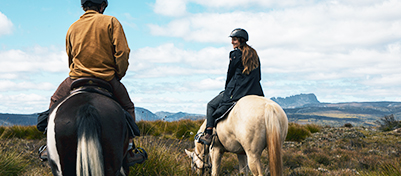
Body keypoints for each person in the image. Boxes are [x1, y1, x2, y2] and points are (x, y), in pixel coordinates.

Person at [38, 0, 145, 165]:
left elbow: (70, 55)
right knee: (128, 106)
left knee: (54, 101)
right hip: (107, 78)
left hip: (76, 77)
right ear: (102, 6)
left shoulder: (73, 27)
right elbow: (122, 52)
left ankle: (48, 145)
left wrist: (77, 71)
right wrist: (118, 74)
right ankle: (130, 149)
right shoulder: (111, 22)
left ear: (83, 7)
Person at [199, 28, 264, 145]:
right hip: (255, 91)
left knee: (211, 105)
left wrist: (227, 91)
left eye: (234, 40)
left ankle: (208, 134)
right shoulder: (254, 54)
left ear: (241, 40)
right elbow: (258, 76)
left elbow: (230, 75)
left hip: (237, 91)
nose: (232, 42)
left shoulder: (235, 54)